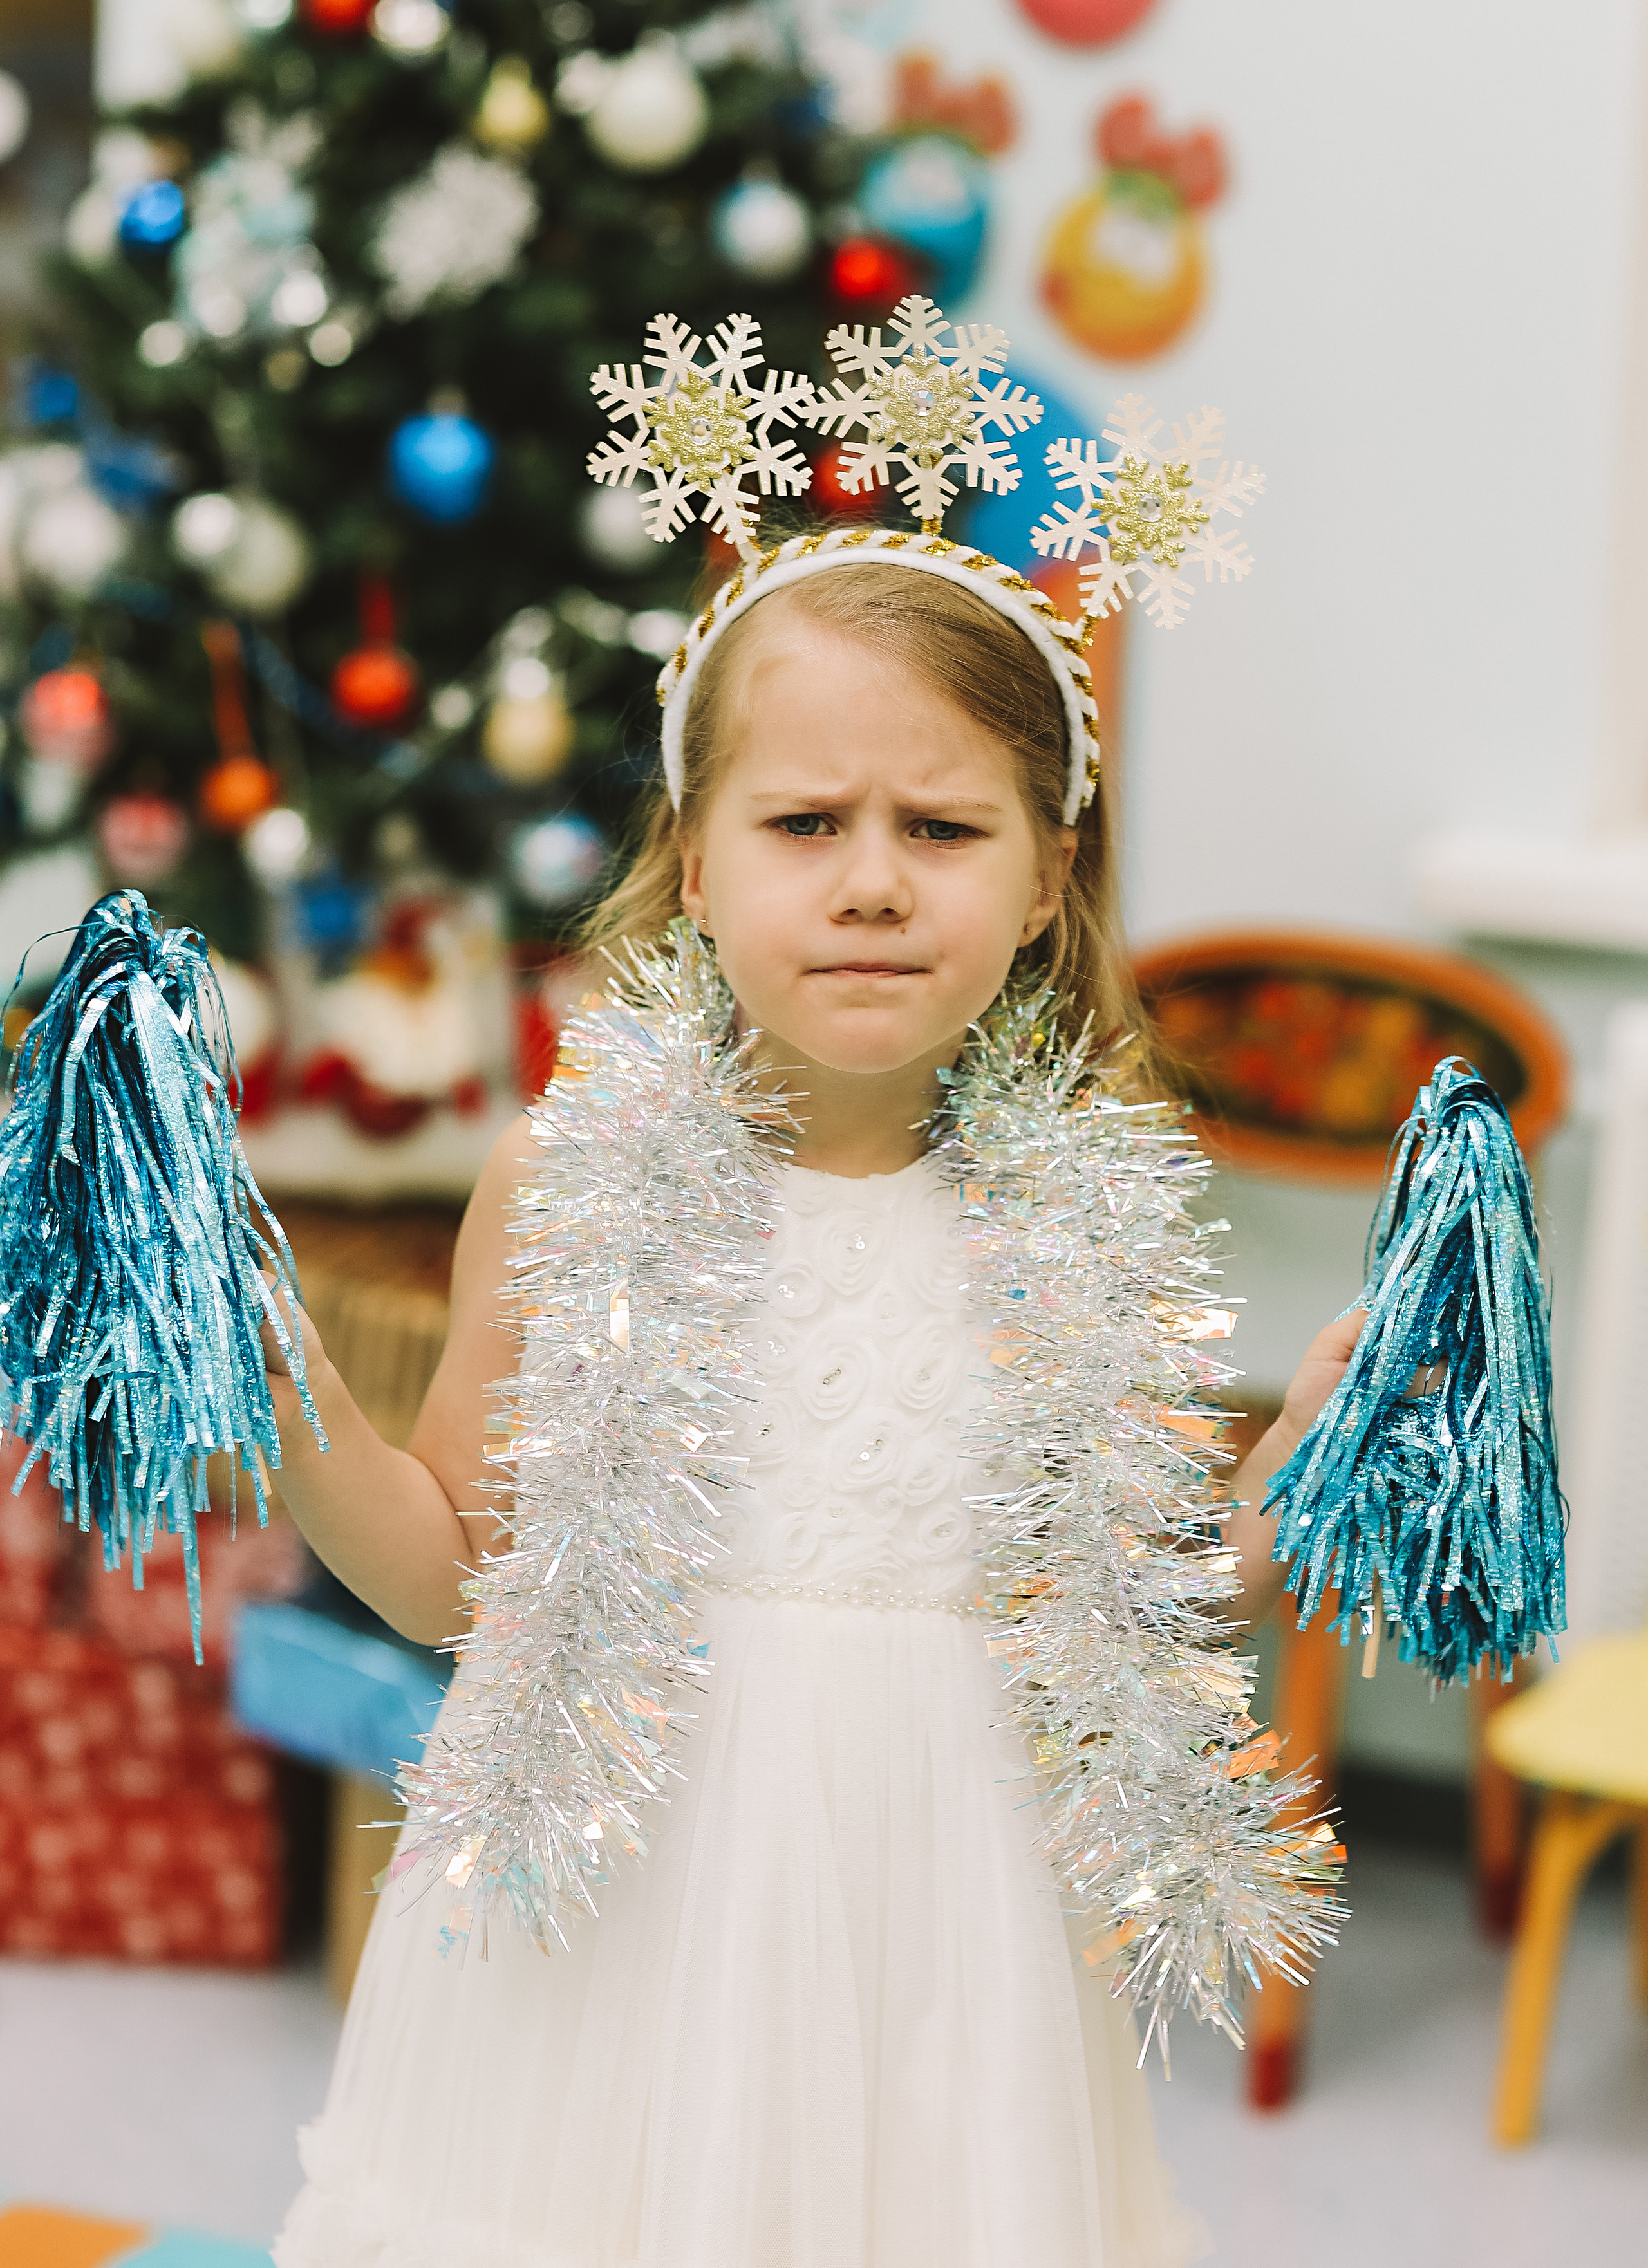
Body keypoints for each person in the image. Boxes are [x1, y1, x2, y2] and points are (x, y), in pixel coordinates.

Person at [263, 528, 1360, 2268]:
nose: (871, 882)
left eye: (941, 829)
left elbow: (1112, 1633)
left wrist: (1296, 1488)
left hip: (946, 1931)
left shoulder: (1074, 1221)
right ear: (694, 865)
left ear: (1047, 876)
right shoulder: (568, 1182)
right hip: (616, 1934)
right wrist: (281, 1385)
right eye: (804, 825)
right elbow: (447, 1576)